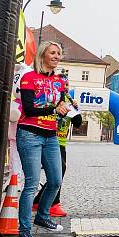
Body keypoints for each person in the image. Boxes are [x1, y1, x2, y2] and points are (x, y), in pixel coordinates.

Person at [16, 41, 70, 237]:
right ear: (43, 55)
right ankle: (24, 231)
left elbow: (60, 105)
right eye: (53, 53)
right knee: (31, 184)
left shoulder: (59, 81)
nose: (57, 56)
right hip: (29, 134)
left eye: (59, 53)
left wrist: (69, 112)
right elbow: (29, 109)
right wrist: (54, 110)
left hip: (51, 136)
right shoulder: (29, 77)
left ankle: (42, 215)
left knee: (56, 180)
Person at [33, 89, 82, 217]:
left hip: (61, 143)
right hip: (49, 140)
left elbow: (77, 124)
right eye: (63, 86)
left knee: (58, 173)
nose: (66, 89)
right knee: (58, 171)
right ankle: (53, 204)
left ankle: (38, 201)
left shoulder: (69, 103)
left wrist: (76, 109)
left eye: (67, 86)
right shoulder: (50, 100)